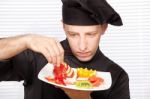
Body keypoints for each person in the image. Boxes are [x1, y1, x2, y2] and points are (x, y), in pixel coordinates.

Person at [0, 0, 130, 99]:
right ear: (63, 27)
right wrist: (25, 40)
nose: (82, 46)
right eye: (73, 34)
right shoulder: (37, 57)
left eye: (90, 34)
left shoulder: (117, 76)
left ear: (104, 28)